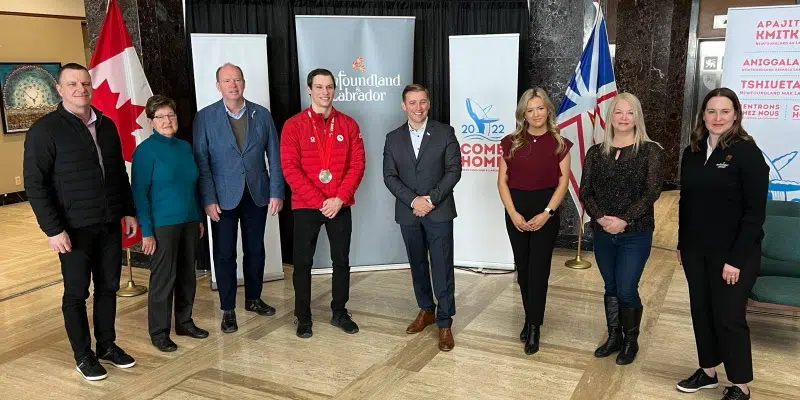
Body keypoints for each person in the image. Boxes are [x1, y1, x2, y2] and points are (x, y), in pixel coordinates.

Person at [23, 63, 138, 381]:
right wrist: (52, 229)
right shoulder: (45, 131)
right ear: (59, 90)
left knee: (108, 287)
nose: (80, 89)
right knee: (76, 293)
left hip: (109, 221)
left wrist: (128, 210)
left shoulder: (107, 124)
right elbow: (35, 184)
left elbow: (117, 174)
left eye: (85, 83)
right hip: (72, 229)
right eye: (72, 84)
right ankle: (83, 356)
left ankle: (107, 346)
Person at [676, 88, 768, 400]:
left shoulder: (747, 152)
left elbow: (755, 214)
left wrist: (737, 260)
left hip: (734, 253)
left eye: (724, 112)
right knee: (701, 310)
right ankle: (708, 371)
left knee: (729, 317)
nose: (717, 118)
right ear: (703, 114)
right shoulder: (692, 150)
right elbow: (686, 202)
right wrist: (681, 243)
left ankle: (741, 385)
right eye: (711, 111)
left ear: (736, 115)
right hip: (695, 249)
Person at [193, 63, 285, 333]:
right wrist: (208, 198)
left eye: (237, 80)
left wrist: (276, 191)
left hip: (257, 193)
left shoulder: (262, 114)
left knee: (255, 250)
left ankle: (254, 299)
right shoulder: (205, 117)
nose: (233, 85)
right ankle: (228, 308)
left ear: (244, 83)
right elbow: (202, 161)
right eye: (227, 80)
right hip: (221, 198)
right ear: (218, 85)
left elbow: (275, 157)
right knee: (224, 254)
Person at [579, 93, 664, 365]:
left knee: (627, 288)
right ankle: (613, 336)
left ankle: (631, 340)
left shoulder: (650, 151)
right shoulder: (596, 152)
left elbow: (652, 192)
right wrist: (601, 218)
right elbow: (585, 191)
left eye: (629, 112)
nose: (624, 118)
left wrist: (623, 220)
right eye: (618, 112)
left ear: (637, 116)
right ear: (610, 117)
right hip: (603, 231)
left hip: (635, 233)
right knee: (611, 286)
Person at [280, 68, 366, 339]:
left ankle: (340, 311)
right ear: (309, 89)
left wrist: (339, 199)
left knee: (341, 260)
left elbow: (358, 164)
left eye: (329, 87)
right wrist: (320, 201)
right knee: (303, 263)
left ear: (334, 89)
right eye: (319, 87)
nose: (324, 92)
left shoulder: (349, 124)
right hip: (307, 205)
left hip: (340, 204)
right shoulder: (293, 125)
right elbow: (290, 169)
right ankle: (302, 316)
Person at [383, 84, 462, 351]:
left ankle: (444, 322)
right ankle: (426, 310)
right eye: (412, 103)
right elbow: (389, 176)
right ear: (403, 106)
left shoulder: (445, 132)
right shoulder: (393, 138)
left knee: (441, 265)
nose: (418, 107)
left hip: (438, 211)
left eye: (423, 102)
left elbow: (454, 170)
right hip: (408, 213)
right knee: (417, 264)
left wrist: (429, 199)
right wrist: (413, 200)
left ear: (429, 104)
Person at [132, 95, 209, 352]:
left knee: (188, 276)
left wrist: (197, 217)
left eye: (171, 115)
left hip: (189, 221)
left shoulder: (185, 147)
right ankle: (159, 331)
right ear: (150, 121)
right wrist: (146, 231)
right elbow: (139, 195)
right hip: (161, 226)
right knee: (164, 279)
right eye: (161, 117)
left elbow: (193, 187)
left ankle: (184, 322)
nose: (167, 121)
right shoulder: (144, 152)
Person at [497, 87, 571, 355]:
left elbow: (563, 183)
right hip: (516, 212)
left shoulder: (560, 143)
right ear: (523, 114)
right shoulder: (511, 142)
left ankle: (534, 326)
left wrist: (548, 213)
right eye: (530, 110)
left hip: (546, 213)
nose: (536, 113)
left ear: (548, 110)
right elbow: (502, 182)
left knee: (539, 270)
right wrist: (513, 213)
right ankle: (530, 317)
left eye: (540, 108)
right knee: (524, 269)